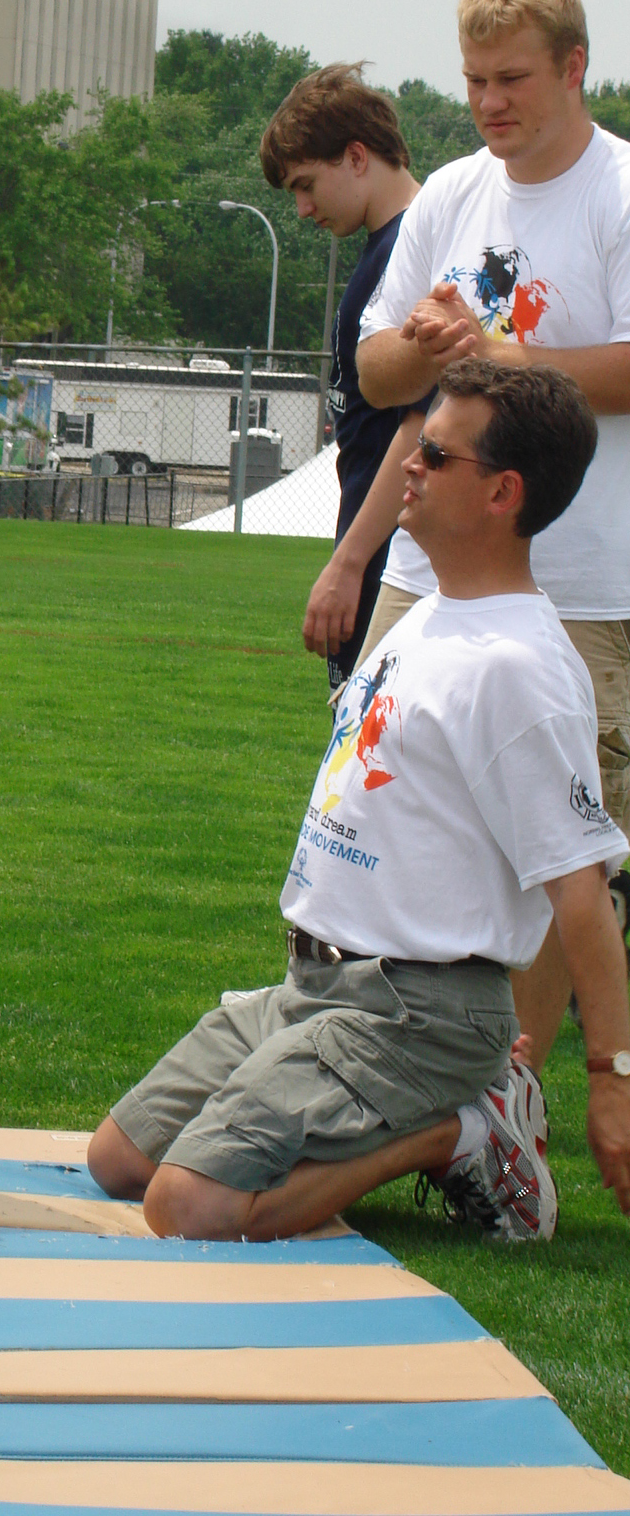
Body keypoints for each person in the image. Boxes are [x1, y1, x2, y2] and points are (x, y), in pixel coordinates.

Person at [88, 360, 630, 1241]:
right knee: (118, 1161)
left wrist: (613, 1077)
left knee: (188, 1208)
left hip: (416, 1013)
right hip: (321, 985)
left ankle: (457, 1135)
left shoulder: (519, 667)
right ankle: (438, 1105)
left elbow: (582, 890)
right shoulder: (429, 612)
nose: (408, 464)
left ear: (502, 493)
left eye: (436, 456)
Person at [355, 0, 630, 1067]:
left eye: (511, 78)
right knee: (373, 808)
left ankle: (502, 1092)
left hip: (584, 585)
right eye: (471, 80)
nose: (487, 102)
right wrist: (422, 346)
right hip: (425, 580)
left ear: (573, 68)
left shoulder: (616, 190)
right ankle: (380, 1050)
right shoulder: (451, 195)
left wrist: (513, 361)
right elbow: (378, 377)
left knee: (557, 852)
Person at [259, 66, 422, 692]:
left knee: (372, 772)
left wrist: (350, 563)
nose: (302, 210)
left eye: (306, 184)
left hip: (400, 560)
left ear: (357, 156)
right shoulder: (384, 247)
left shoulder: (417, 243)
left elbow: (425, 421)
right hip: (381, 548)